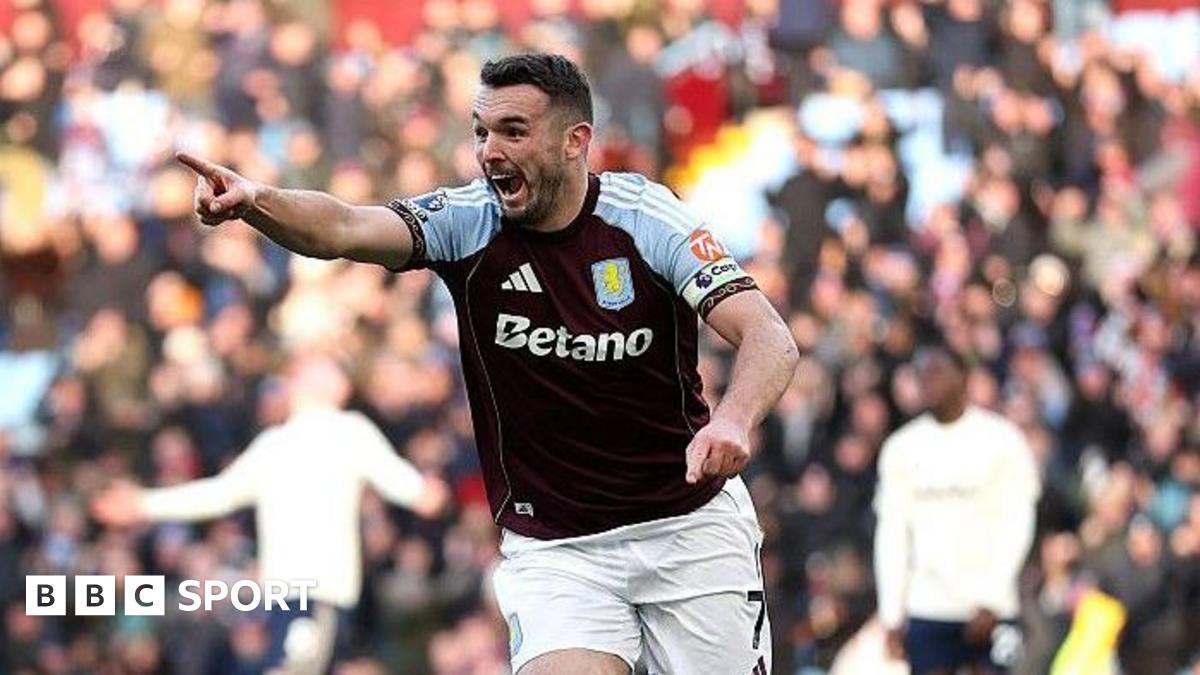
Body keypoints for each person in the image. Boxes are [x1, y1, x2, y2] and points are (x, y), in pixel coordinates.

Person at [172, 53, 799, 674]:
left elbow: (769, 335)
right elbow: (341, 227)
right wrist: (256, 200)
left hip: (686, 528)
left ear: (575, 141)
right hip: (559, 548)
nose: (490, 151)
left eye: (513, 132)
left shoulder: (648, 220)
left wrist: (733, 418)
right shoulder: (470, 221)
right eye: (481, 132)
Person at [92, 354, 449, 675]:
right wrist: (144, 504)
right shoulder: (274, 444)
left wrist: (423, 492)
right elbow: (219, 493)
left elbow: (409, 487)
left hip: (318, 592)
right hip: (287, 596)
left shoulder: (347, 431)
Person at [874, 346, 1041, 675]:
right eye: (921, 375)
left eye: (936, 372)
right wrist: (890, 613)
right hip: (928, 606)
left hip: (990, 607)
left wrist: (993, 597)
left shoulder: (1002, 440)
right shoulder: (901, 448)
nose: (927, 382)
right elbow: (892, 533)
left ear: (963, 375)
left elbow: (1018, 522)